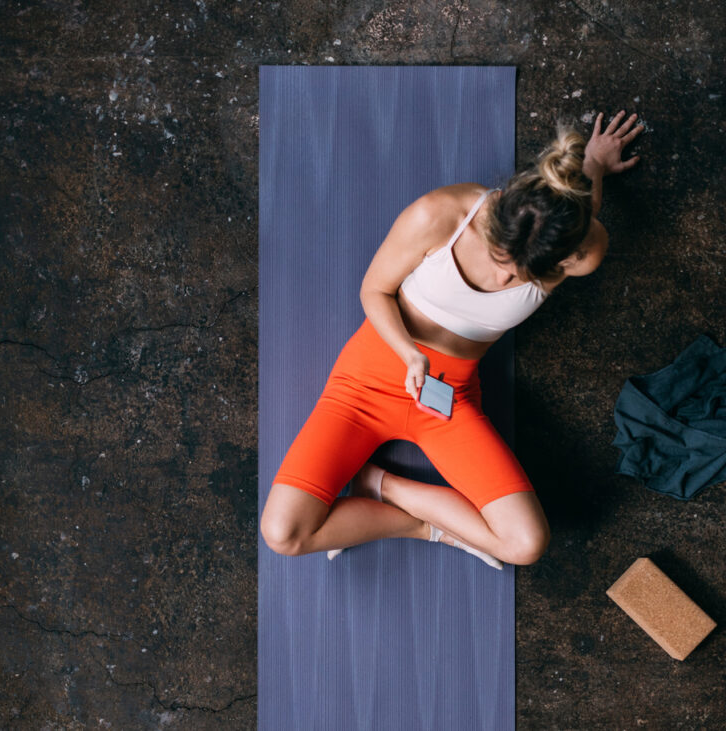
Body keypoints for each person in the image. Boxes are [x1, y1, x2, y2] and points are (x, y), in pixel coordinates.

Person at [260, 111, 644, 568]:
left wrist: (595, 165)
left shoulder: (581, 253)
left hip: (450, 400)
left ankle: (382, 486)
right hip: (366, 382)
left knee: (526, 545)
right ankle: (421, 525)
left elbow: (585, 215)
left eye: (520, 276)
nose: (503, 278)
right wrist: (408, 353)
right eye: (502, 260)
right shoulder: (439, 215)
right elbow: (374, 290)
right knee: (282, 534)